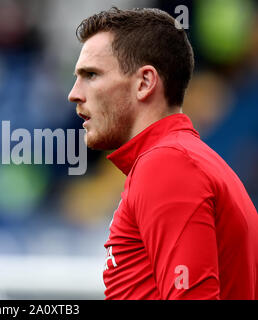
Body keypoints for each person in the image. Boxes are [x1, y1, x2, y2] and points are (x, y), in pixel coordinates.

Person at [68, 7, 258, 300]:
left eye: (92, 75)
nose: (75, 93)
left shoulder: (168, 165)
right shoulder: (175, 159)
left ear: (145, 83)